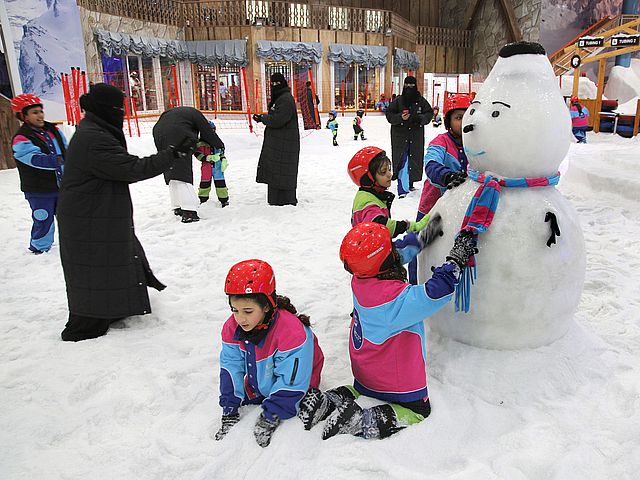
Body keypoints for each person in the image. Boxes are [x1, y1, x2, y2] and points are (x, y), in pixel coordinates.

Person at [297, 222, 477, 440]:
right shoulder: (393, 300)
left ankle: (331, 400)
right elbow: (435, 293)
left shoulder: (362, 277)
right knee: (419, 412)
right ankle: (361, 420)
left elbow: (392, 257)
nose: (394, 248)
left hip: (365, 369)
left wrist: (423, 238)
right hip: (393, 379)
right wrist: (455, 261)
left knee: (364, 389)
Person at [57, 83, 196, 342]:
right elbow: (130, 168)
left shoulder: (95, 129)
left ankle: (111, 309)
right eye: (118, 109)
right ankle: (89, 320)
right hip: (87, 216)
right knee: (95, 265)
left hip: (95, 212)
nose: (121, 113)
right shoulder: (93, 138)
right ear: (104, 109)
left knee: (110, 259)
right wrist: (172, 154)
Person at [215, 259, 325, 447]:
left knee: (297, 395)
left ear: (266, 306)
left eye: (248, 311)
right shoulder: (232, 327)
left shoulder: (292, 333)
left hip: (298, 385)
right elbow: (230, 366)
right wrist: (230, 408)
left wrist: (271, 414)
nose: (240, 318)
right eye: (235, 310)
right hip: (261, 380)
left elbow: (293, 379)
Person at [408, 93, 472, 284]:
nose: (462, 122)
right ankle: (414, 284)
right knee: (419, 245)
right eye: (458, 118)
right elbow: (431, 163)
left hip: (463, 209)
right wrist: (447, 176)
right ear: (448, 121)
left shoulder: (475, 145)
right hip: (433, 208)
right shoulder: (441, 142)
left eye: (466, 117)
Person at [348, 146, 440, 266]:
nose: (389, 175)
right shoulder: (367, 202)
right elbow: (381, 225)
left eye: (389, 169)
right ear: (368, 178)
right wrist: (409, 225)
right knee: (405, 249)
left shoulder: (370, 195)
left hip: (372, 253)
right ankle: (421, 240)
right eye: (383, 172)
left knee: (402, 251)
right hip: (372, 259)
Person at [11, 93, 67, 254]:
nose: (40, 115)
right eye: (34, 112)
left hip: (60, 184)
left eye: (40, 111)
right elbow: (34, 159)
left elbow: (66, 147)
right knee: (44, 218)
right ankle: (40, 246)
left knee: (67, 215)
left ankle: (72, 241)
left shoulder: (53, 130)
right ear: (23, 116)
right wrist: (59, 160)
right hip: (38, 190)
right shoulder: (21, 138)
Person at [153, 106, 225, 223]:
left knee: (171, 168)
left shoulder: (181, 113)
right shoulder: (197, 115)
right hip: (177, 133)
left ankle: (177, 206)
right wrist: (219, 145)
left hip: (158, 131)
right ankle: (189, 211)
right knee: (182, 172)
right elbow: (207, 132)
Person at [253, 73, 300, 206]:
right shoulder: (281, 97)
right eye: (271, 84)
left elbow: (279, 119)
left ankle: (285, 200)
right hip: (280, 142)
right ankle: (276, 199)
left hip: (285, 142)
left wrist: (263, 119)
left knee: (283, 171)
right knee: (276, 171)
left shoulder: (285, 99)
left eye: (275, 84)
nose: (273, 87)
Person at [385, 76, 434, 198]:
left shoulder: (421, 101)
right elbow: (389, 115)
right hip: (400, 137)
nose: (409, 88)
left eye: (412, 86)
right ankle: (402, 187)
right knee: (402, 159)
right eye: (407, 85)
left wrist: (419, 119)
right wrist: (400, 118)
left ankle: (410, 182)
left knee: (414, 159)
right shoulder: (398, 101)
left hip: (415, 136)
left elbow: (429, 113)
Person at [195, 120, 230, 207]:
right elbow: (197, 154)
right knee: (205, 183)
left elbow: (221, 153)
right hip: (206, 167)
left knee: (220, 183)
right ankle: (203, 200)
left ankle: (224, 200)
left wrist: (223, 160)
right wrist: (207, 158)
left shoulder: (218, 143)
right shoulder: (200, 144)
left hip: (218, 167)